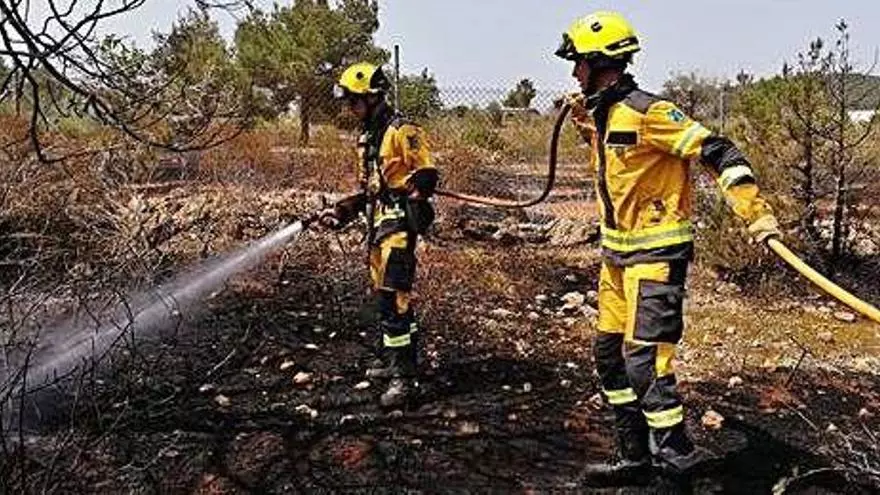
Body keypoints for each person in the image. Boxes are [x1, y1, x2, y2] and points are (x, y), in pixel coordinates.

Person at [553, 11, 782, 480]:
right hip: (616, 258)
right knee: (610, 358)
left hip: (656, 258)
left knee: (646, 363)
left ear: (600, 63)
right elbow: (616, 161)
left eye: (579, 63)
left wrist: (756, 214)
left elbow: (720, 151)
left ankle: (678, 461)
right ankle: (635, 458)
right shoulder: (603, 114)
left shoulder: (650, 112)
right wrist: (582, 116)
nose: (574, 73)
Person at [320, 62, 439, 408]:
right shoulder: (366, 137)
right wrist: (344, 209)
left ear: (372, 98)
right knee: (386, 299)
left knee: (395, 300)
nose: (349, 108)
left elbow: (427, 172)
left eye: (353, 101)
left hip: (399, 227)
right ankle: (396, 361)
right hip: (378, 226)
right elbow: (371, 190)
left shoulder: (403, 131)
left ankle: (405, 380)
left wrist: (418, 193)